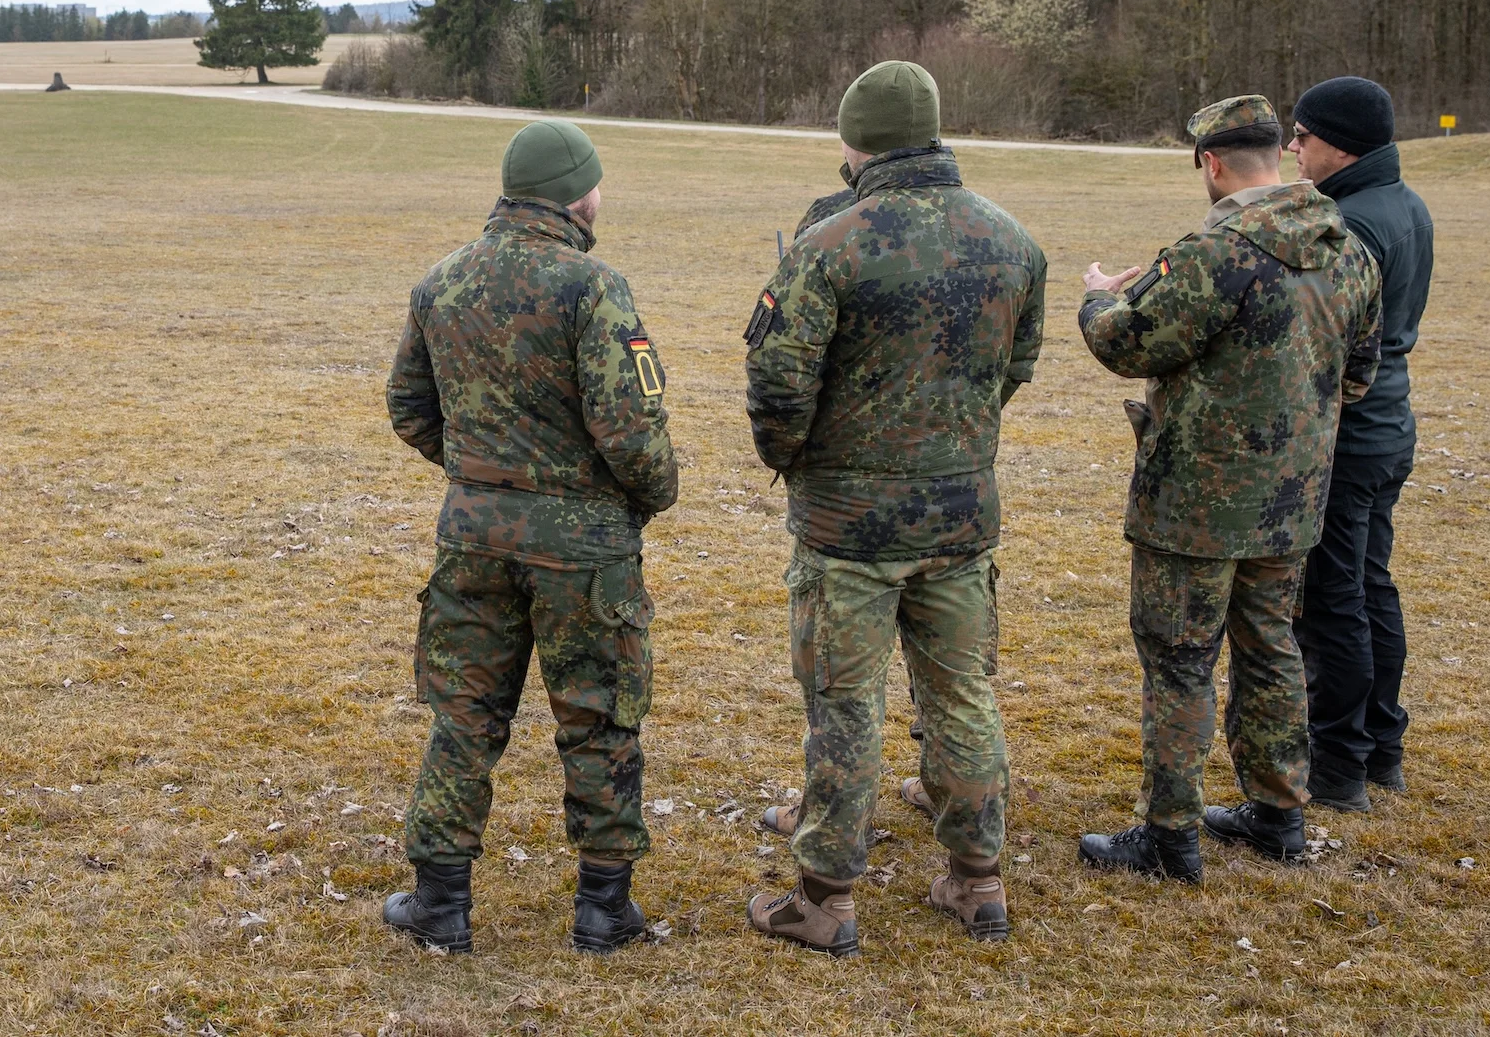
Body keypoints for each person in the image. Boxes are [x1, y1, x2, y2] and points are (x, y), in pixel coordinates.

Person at [742, 60, 1046, 954]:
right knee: (960, 693)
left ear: (855, 140)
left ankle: (827, 898)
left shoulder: (830, 242)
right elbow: (1013, 366)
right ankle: (978, 879)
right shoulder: (1013, 241)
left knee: (843, 700)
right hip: (959, 514)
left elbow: (777, 386)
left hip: (847, 525)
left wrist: (803, 463)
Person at [381, 119, 680, 955]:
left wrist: (480, 476)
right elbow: (632, 430)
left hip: (474, 538)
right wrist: (646, 498)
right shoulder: (594, 286)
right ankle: (603, 908)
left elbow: (409, 408)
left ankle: (439, 902)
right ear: (578, 194)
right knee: (600, 720)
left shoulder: (442, 283)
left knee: (463, 717)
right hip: (583, 550)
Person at [1075, 95, 1381, 885]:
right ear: (1277, 155)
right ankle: (1279, 812)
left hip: (1195, 507)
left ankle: (1169, 833)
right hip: (1292, 503)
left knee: (1179, 659)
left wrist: (1100, 292)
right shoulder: (1347, 249)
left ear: (1213, 164)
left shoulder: (1214, 253)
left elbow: (1123, 341)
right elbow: (1358, 375)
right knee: (1271, 645)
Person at [1287, 77, 1434, 811]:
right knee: (1371, 583)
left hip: (1350, 431)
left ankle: (1340, 761)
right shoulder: (1407, 204)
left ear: (1339, 145)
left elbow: (1330, 339)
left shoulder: (1350, 225)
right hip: (1391, 425)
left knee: (1332, 597)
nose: (1293, 148)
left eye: (1304, 136)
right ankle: (1382, 745)